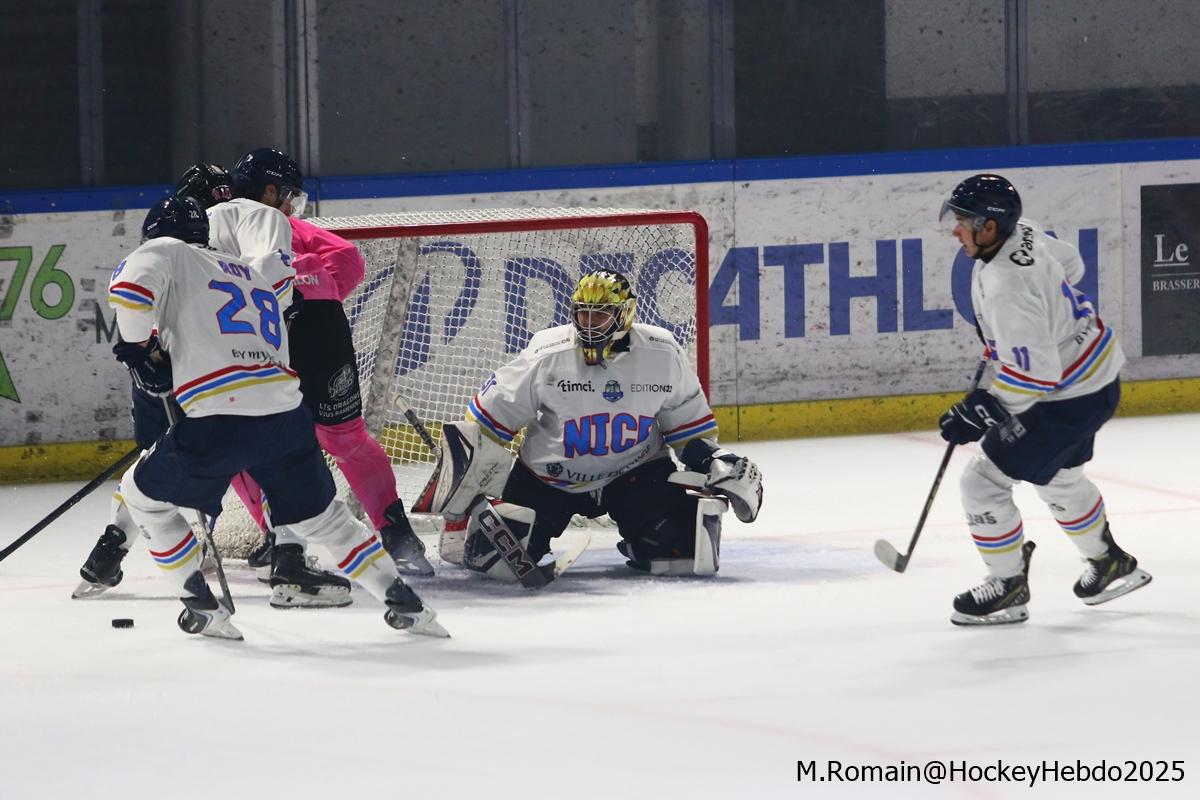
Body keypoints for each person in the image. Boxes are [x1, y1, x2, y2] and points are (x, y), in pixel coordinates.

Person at [103, 194, 446, 639]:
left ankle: (200, 605)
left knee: (141, 497)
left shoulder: (167, 251)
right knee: (325, 519)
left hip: (221, 416)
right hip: (287, 415)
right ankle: (408, 605)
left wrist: (138, 351)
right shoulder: (250, 272)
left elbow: (130, 292)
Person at [417, 269, 764, 579]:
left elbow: (688, 427)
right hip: (548, 479)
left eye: (600, 315)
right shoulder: (548, 353)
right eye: (583, 314)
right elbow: (486, 423)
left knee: (683, 551)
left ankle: (644, 539)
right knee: (496, 559)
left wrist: (712, 460)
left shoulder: (662, 353)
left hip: (633, 474)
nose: (588, 324)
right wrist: (464, 503)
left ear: (624, 314)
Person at [184, 153, 431, 577]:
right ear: (268, 190)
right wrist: (316, 291)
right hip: (316, 325)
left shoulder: (192, 236)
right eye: (287, 196)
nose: (290, 206)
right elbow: (347, 259)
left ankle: (278, 539)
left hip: (251, 341)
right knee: (346, 439)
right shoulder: (279, 223)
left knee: (246, 442)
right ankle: (398, 536)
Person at [937, 173, 1151, 626]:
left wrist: (983, 409)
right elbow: (1072, 265)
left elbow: (1036, 374)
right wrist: (1036, 323)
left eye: (963, 222)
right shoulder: (1026, 230)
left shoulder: (1007, 288)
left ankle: (1007, 586)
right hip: (1097, 378)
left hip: (1066, 396)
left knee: (982, 482)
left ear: (989, 226)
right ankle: (1108, 563)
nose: (955, 231)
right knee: (1060, 477)